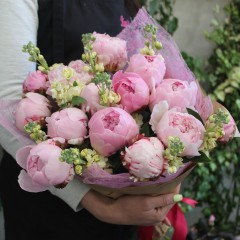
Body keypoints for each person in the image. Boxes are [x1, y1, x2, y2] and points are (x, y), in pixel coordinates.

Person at [0, 1, 182, 239]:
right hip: (52, 209)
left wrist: (164, 178)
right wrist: (97, 203)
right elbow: (7, 109)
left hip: (125, 206)